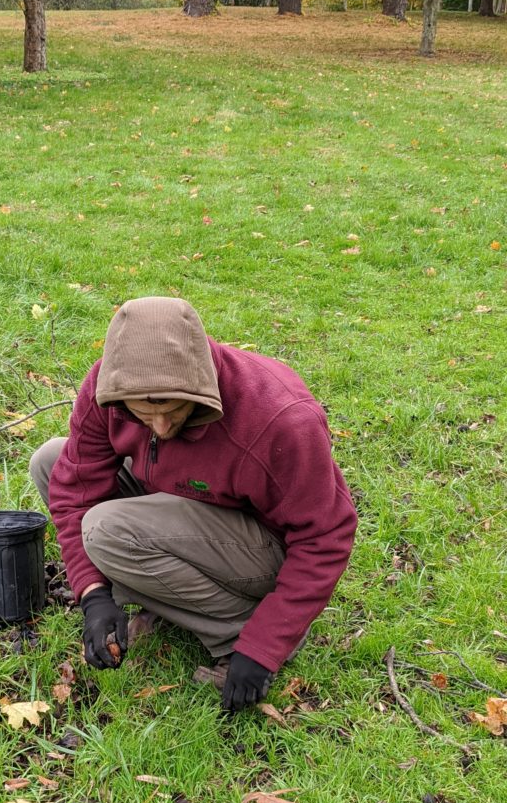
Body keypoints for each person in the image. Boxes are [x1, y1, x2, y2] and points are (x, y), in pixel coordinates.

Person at [29, 296, 358, 713]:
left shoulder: (280, 419)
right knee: (51, 461)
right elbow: (76, 489)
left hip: (264, 553)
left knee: (106, 529)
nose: (162, 428)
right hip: (186, 514)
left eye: (174, 409)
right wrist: (93, 595)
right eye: (145, 414)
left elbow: (326, 537)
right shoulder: (107, 387)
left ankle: (237, 632)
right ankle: (167, 601)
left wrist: (262, 647)